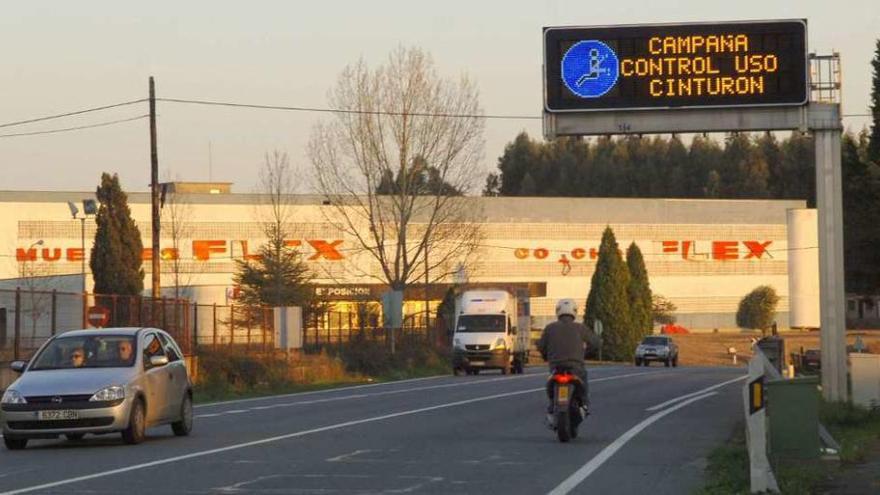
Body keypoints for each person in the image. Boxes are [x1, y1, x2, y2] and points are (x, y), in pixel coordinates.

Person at [537, 298, 599, 418]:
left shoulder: (550, 328)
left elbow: (541, 346)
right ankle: (584, 404)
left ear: (558, 311)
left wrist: (545, 356)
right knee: (583, 379)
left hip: (556, 367)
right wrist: (588, 353)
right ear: (574, 311)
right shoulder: (580, 328)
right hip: (576, 366)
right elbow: (595, 343)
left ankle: (552, 405)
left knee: (550, 384)